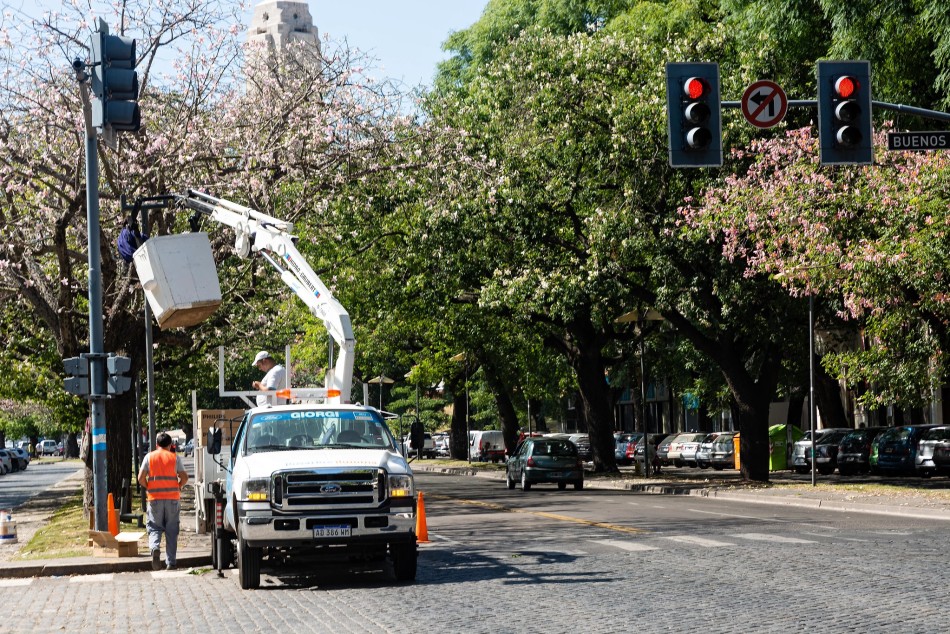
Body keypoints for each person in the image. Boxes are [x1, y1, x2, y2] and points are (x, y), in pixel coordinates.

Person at [137, 432, 188, 570]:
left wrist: (149, 487)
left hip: (155, 499)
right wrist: (178, 486)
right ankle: (171, 562)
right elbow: (184, 477)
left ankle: (155, 548)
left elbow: (140, 478)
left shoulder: (149, 457)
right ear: (170, 445)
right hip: (172, 500)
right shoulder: (174, 457)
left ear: (156, 444)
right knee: (172, 531)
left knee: (154, 527)